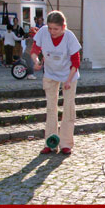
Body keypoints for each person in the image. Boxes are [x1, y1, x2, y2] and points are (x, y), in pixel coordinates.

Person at [31, 10, 81, 155]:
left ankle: (66, 143)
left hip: (69, 74)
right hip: (50, 73)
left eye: (56, 29)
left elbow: (76, 62)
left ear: (63, 27)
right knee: (51, 108)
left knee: (68, 108)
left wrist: (68, 80)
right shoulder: (43, 32)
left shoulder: (69, 37)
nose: (52, 31)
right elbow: (34, 50)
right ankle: (51, 143)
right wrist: (36, 62)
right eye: (50, 28)